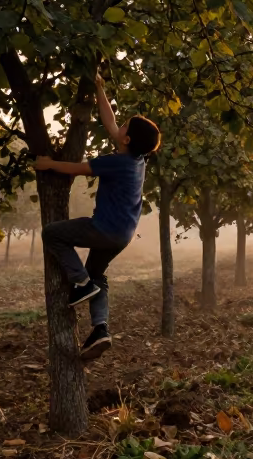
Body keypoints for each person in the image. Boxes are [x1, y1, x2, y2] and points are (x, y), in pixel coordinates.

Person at [33, 74, 161, 361]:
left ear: (126, 139)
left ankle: (80, 282)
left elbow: (77, 169)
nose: (119, 125)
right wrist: (100, 89)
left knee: (52, 233)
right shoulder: (137, 160)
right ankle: (100, 329)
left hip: (104, 229)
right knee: (99, 274)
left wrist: (49, 164)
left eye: (125, 126)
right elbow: (110, 123)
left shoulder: (116, 163)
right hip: (123, 236)